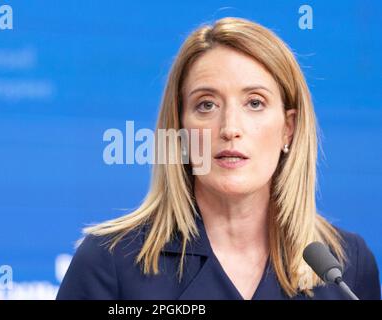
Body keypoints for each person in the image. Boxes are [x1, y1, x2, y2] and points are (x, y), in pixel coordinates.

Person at [56, 17, 380, 300]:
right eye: (206, 105)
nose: (230, 128)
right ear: (179, 128)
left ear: (288, 129)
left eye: (254, 103)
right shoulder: (110, 261)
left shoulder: (346, 266)